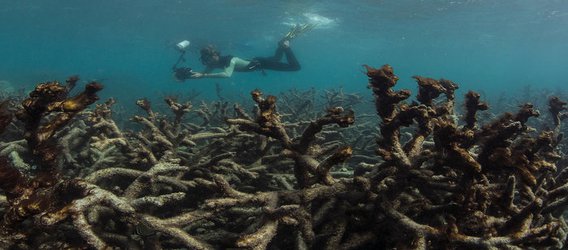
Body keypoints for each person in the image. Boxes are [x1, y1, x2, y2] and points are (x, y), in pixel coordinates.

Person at [173, 24, 315, 81]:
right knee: (277, 58)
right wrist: (188, 75)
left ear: (215, 55)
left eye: (208, 58)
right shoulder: (213, 63)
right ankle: (282, 44)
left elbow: (226, 75)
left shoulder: (230, 60)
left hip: (261, 63)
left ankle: (286, 46)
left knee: (295, 67)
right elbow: (202, 75)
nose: (207, 62)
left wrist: (204, 74)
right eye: (205, 59)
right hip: (257, 61)